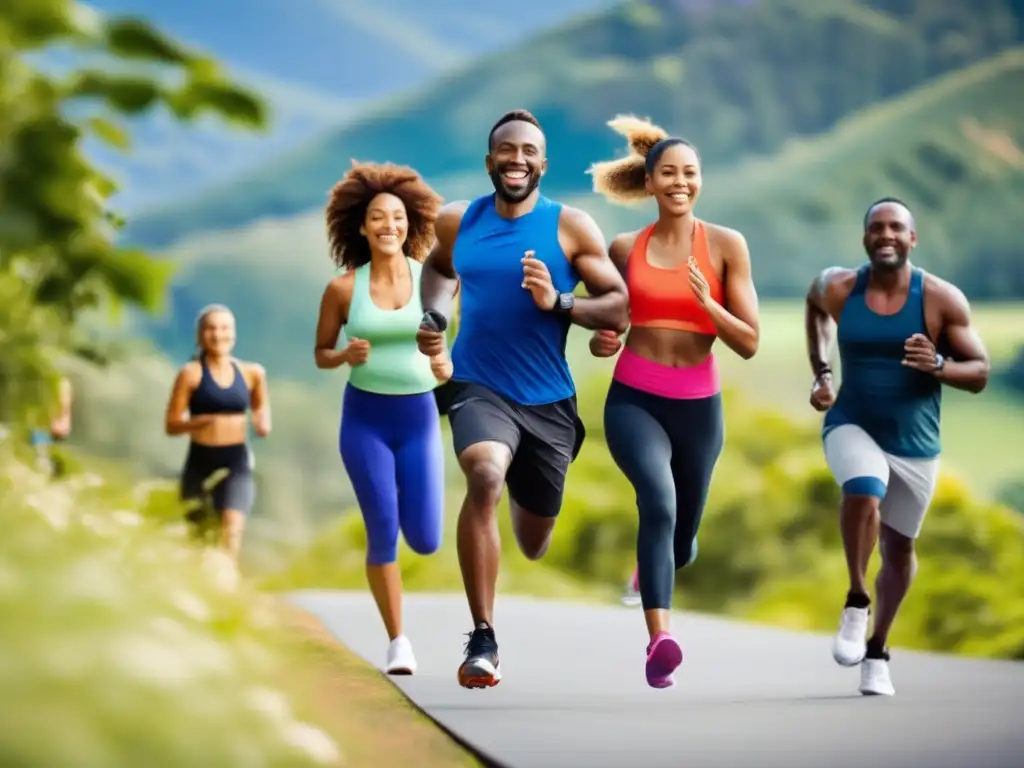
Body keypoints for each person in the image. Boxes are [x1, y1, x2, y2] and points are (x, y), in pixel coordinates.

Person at [415, 109, 629, 689]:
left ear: (543, 163)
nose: (516, 158)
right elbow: (437, 271)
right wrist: (435, 314)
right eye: (505, 150)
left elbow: (617, 304)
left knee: (534, 542)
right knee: (482, 472)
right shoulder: (459, 221)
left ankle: (516, 480)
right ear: (490, 162)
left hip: (549, 403)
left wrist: (559, 303)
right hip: (477, 384)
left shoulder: (571, 227)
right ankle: (483, 638)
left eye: (528, 151)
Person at [586, 116, 760, 688]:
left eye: (690, 173)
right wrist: (604, 338)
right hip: (635, 400)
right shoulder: (622, 249)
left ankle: (656, 563)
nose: (680, 182)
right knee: (656, 503)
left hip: (698, 409)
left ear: (699, 181)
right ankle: (659, 640)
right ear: (651, 183)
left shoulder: (728, 245)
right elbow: (602, 333)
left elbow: (750, 342)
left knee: (680, 540)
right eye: (669, 173)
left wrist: (709, 306)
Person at [805, 197, 989, 696]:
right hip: (852, 422)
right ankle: (857, 599)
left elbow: (980, 373)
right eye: (876, 227)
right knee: (863, 488)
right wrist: (822, 373)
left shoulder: (941, 300)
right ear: (865, 237)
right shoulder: (839, 286)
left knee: (900, 547)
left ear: (912, 239)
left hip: (915, 443)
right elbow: (814, 308)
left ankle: (878, 649)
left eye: (896, 228)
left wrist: (938, 367)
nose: (885, 234)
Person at [314, 161, 451, 676]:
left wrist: (444, 364)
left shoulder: (435, 282)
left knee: (426, 538)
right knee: (383, 529)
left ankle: (400, 629)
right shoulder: (343, 290)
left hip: (418, 418)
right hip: (364, 420)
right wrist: (344, 356)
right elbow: (321, 352)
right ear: (361, 226)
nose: (388, 225)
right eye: (377, 217)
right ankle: (398, 641)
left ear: (410, 224)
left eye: (396, 216)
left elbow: (447, 356)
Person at [164, 304, 271, 564]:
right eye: (211, 328)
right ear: (200, 335)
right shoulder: (190, 374)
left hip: (236, 462)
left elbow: (260, 405)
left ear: (233, 334)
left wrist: (261, 421)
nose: (218, 334)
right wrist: (199, 422)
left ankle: (228, 580)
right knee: (198, 537)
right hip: (200, 461)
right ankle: (203, 588)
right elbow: (172, 424)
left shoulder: (252, 373)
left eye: (224, 328)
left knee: (231, 528)